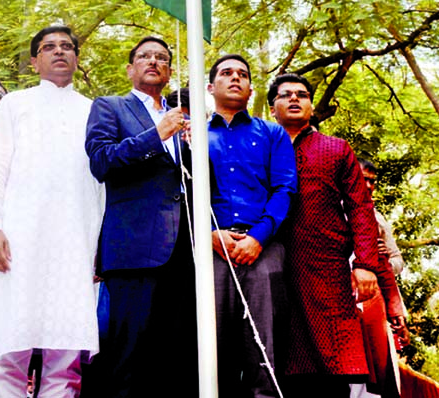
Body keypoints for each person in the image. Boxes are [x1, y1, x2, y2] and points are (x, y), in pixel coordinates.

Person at [0, 25, 104, 397]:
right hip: (16, 240)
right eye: (49, 47)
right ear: (35, 61)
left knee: (66, 356)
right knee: (9, 349)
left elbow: (101, 186)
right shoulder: (15, 104)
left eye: (67, 47)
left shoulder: (94, 110)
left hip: (74, 244)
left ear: (77, 59)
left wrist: (98, 248)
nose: (59, 52)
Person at [84, 36, 196, 397]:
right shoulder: (110, 107)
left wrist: (194, 148)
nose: (153, 61)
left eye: (162, 57)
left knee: (174, 355)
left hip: (183, 251)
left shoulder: (184, 120)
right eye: (144, 56)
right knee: (127, 354)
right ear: (130, 68)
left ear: (169, 71)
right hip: (133, 248)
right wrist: (157, 134)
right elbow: (102, 161)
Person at [268, 73, 382, 397]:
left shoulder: (335, 149)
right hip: (271, 266)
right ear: (272, 106)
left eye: (302, 95)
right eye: (285, 94)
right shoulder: (260, 147)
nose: (294, 99)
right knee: (277, 360)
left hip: (326, 271)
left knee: (333, 365)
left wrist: (365, 264)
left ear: (311, 105)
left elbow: (361, 208)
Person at [207, 54, 296, 398]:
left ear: (249, 87)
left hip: (264, 248)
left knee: (264, 350)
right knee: (214, 349)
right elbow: (183, 191)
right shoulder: (194, 134)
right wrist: (209, 234)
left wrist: (258, 238)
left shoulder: (272, 134)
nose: (235, 78)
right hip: (213, 250)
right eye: (226, 73)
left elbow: (284, 189)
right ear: (211, 86)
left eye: (242, 74)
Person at [359, 159, 405, 276]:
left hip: (373, 289)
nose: (369, 186)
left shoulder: (377, 218)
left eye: (372, 181)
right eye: (364, 179)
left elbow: (398, 261)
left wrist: (384, 263)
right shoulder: (329, 210)